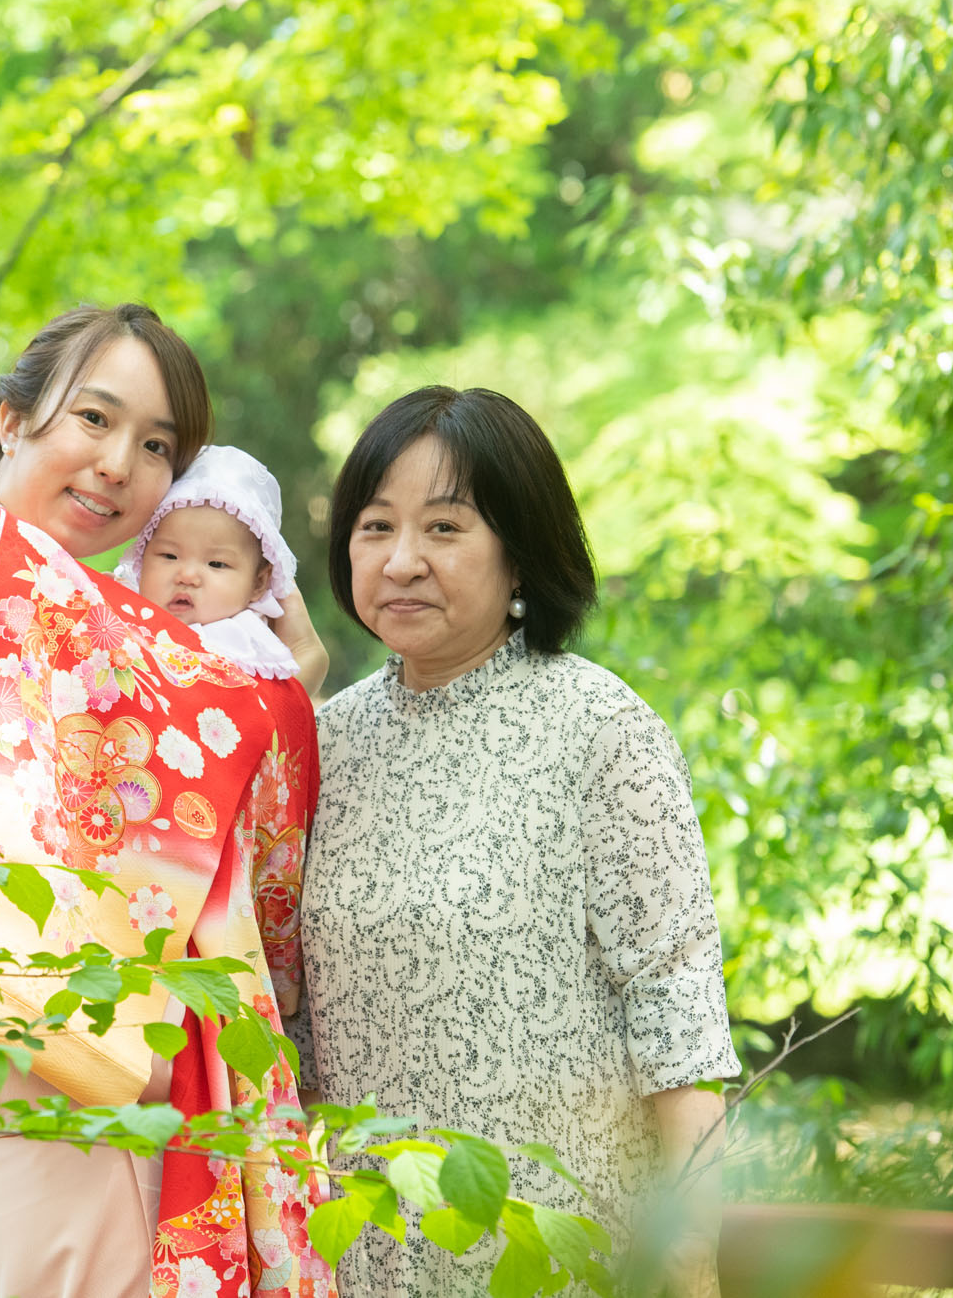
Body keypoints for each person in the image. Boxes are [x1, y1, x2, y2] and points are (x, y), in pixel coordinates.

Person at [0, 304, 333, 1297]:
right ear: (10, 418)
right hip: (44, 1030)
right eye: (95, 419)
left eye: (157, 445)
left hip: (119, 1037)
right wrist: (276, 690)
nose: (120, 464)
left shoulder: (105, 615)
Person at [298, 385, 740, 1298]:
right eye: (376, 527)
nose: (403, 560)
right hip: (360, 1257)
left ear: (521, 551)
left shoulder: (601, 729)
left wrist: (694, 1258)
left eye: (446, 528)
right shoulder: (320, 745)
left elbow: (678, 1015)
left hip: (559, 1257)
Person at [113, 444, 323, 1012]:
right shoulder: (124, 632)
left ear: (259, 588)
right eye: (168, 555)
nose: (188, 575)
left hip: (228, 862)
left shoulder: (251, 652)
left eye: (218, 564)